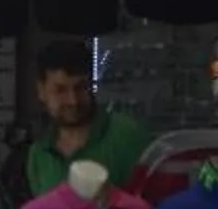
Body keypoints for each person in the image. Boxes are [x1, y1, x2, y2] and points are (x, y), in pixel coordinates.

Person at [22, 41, 151, 197]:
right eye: (60, 90)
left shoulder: (127, 137)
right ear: (41, 91)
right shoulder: (39, 153)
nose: (73, 100)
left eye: (80, 87)